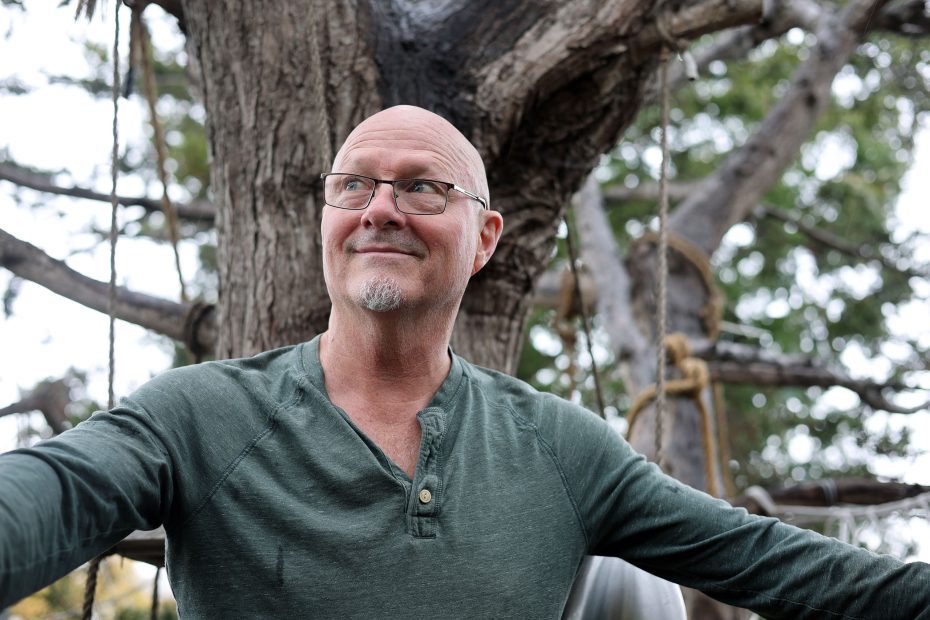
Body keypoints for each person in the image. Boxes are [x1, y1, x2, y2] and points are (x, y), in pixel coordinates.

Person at [1, 105, 928, 619]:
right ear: (326, 221)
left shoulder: (561, 447)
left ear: (484, 237)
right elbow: (49, 496)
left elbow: (781, 567)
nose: (381, 208)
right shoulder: (196, 417)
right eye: (354, 184)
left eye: (422, 186)